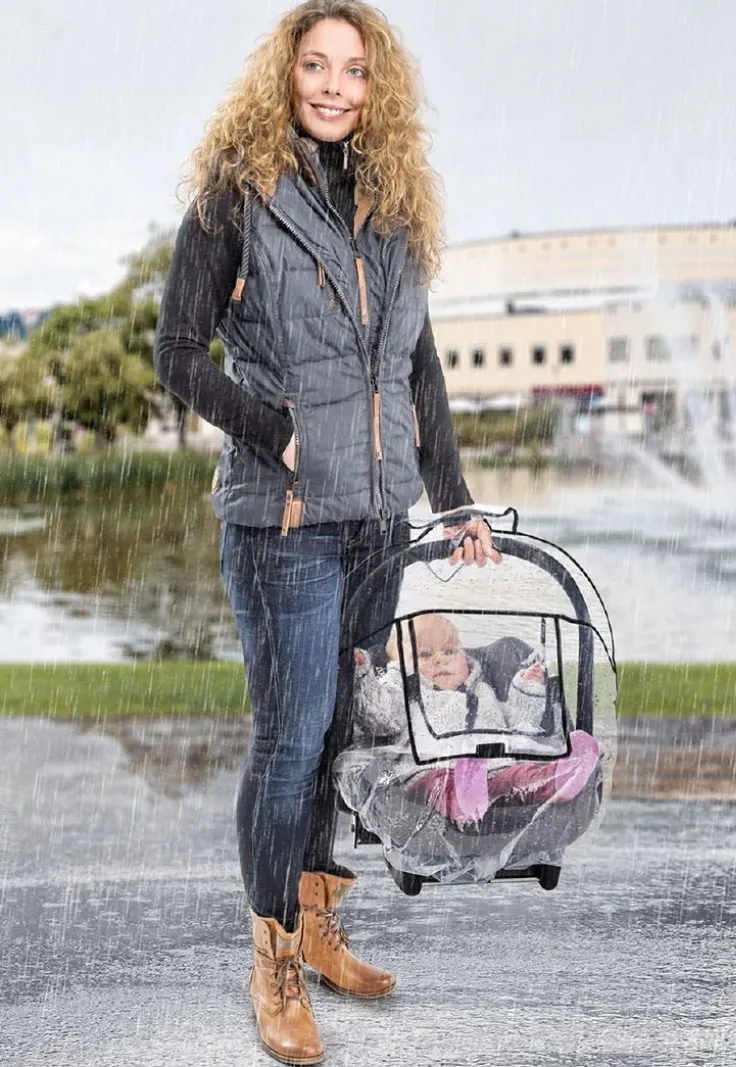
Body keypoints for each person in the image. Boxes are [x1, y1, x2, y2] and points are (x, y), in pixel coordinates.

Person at [153, 4, 500, 1063]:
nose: (335, 87)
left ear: (375, 87)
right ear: (286, 74)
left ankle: (319, 923)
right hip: (287, 522)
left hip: (376, 526)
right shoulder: (233, 196)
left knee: (345, 737)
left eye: (354, 70)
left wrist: (451, 496)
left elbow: (417, 366)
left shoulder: (391, 204)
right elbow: (177, 351)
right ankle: (272, 961)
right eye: (316, 65)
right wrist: (275, 432)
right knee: (290, 737)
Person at [343, 614, 601, 831]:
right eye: (424, 654)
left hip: (495, 767)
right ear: (399, 666)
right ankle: (462, 799)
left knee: (521, 777)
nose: (440, 659)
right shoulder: (403, 693)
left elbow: (519, 725)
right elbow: (379, 717)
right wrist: (363, 674)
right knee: (437, 786)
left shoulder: (484, 692)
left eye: (450, 651)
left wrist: (527, 688)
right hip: (429, 771)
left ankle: (559, 778)